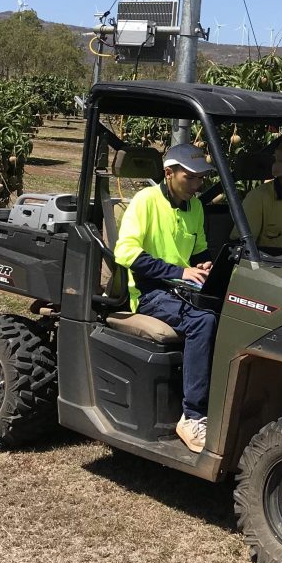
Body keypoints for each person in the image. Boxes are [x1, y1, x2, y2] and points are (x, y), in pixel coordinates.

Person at [114, 143, 216, 453]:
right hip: (149, 293)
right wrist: (180, 272)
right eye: (191, 178)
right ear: (168, 173)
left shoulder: (194, 207)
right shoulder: (145, 201)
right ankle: (193, 416)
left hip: (182, 290)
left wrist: (204, 265)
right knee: (204, 322)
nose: (197, 185)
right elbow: (126, 252)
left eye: (201, 179)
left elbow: (198, 252)